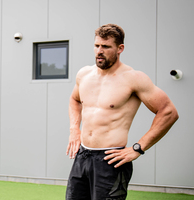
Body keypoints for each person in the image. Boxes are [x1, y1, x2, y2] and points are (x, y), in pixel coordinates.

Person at [65, 24, 179, 200]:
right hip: (82, 155)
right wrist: (74, 129)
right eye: (97, 46)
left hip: (110, 160)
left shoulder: (134, 78)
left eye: (106, 46)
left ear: (120, 49)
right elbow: (74, 99)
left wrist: (138, 148)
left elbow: (169, 112)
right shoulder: (84, 74)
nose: (99, 51)